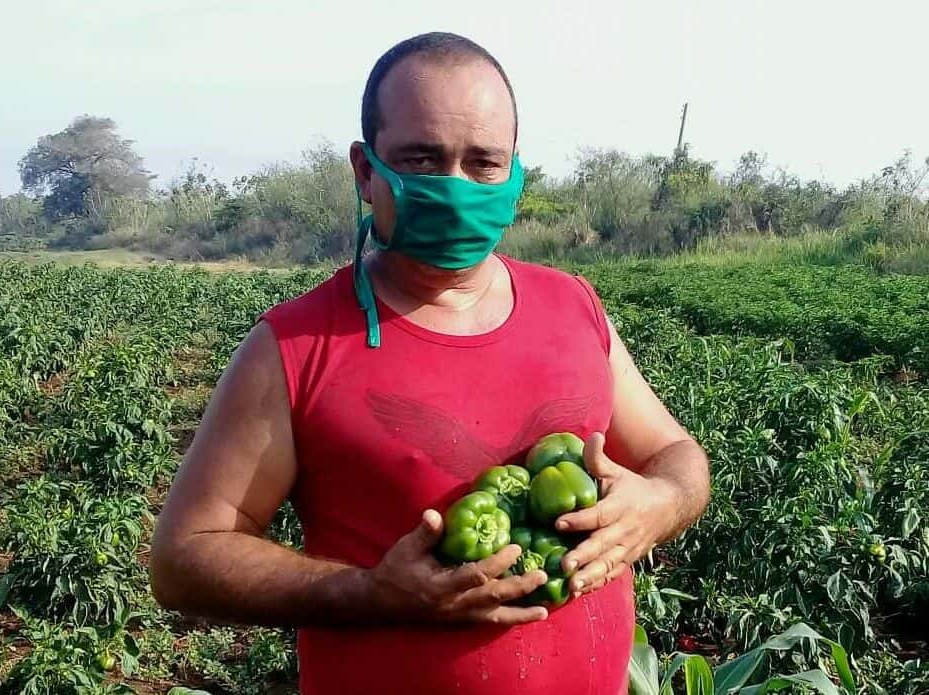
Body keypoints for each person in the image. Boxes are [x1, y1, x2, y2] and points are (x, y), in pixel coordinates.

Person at [149, 31, 711, 695]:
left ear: (515, 172)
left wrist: (660, 500)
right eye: (421, 159)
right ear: (365, 169)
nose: (455, 186)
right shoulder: (296, 347)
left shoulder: (572, 305)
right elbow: (185, 557)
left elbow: (675, 451)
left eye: (482, 163)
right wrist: (370, 593)